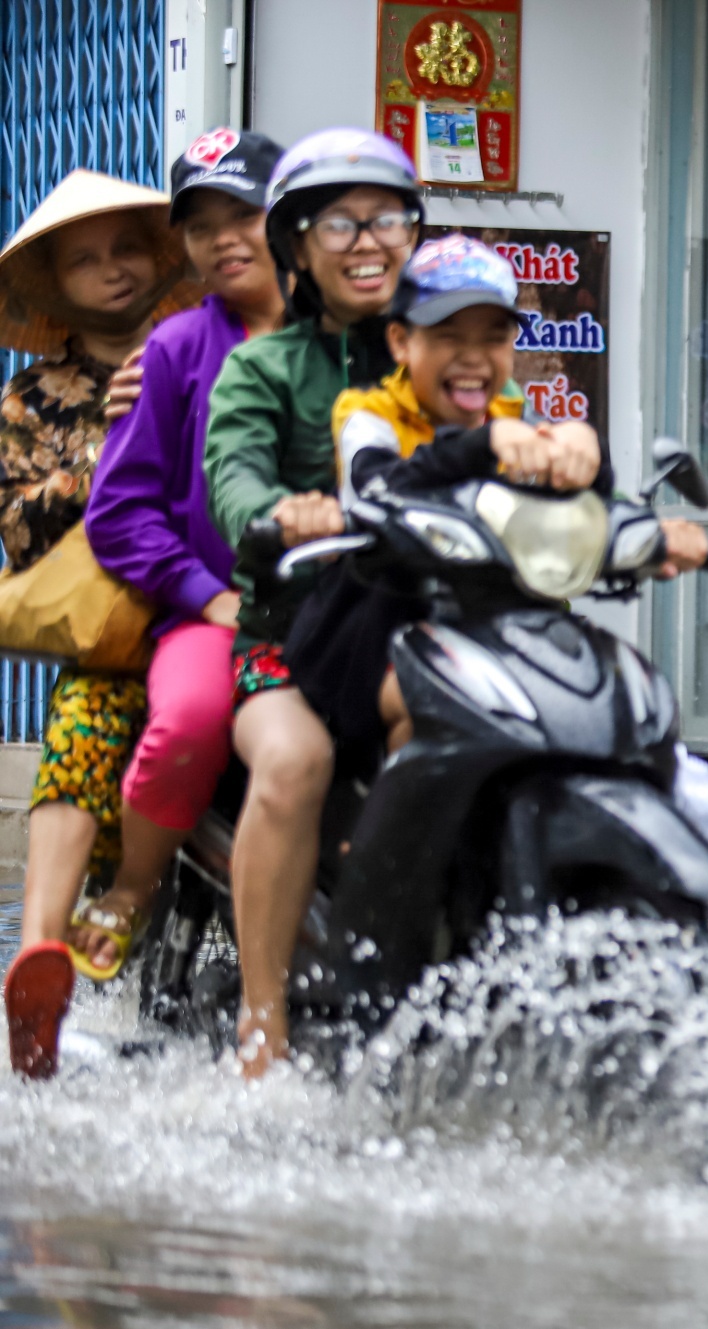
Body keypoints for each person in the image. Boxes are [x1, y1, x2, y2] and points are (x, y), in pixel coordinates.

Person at [203, 128, 423, 1078]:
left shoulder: (434, 349)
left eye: (388, 218)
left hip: (415, 630)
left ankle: (428, 967)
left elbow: (502, 428)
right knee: (293, 761)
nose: (368, 239)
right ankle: (264, 1030)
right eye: (340, 221)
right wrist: (274, 513)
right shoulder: (261, 369)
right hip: (288, 639)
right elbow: (234, 476)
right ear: (295, 246)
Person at [74, 131, 288, 993]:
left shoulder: (356, 339)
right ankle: (132, 885)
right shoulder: (172, 351)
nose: (225, 238)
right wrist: (204, 596)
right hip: (212, 615)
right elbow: (117, 513)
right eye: (202, 226)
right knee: (188, 721)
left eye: (245, 213)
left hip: (340, 606)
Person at [0, 170, 199, 1078]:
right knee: (83, 719)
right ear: (56, 285)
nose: (113, 270)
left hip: (217, 607)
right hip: (119, 637)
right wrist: (107, 449)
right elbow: (18, 525)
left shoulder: (208, 350)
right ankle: (41, 960)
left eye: (127, 248)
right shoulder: (28, 400)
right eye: (87, 259)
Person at [287, 232, 610, 764]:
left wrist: (588, 455)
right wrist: (483, 445)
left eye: (493, 338)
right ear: (400, 342)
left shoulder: (515, 416)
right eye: (447, 336)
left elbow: (579, 496)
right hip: (377, 639)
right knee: (433, 707)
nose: (472, 358)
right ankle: (394, 847)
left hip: (502, 630)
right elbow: (378, 485)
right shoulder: (368, 414)